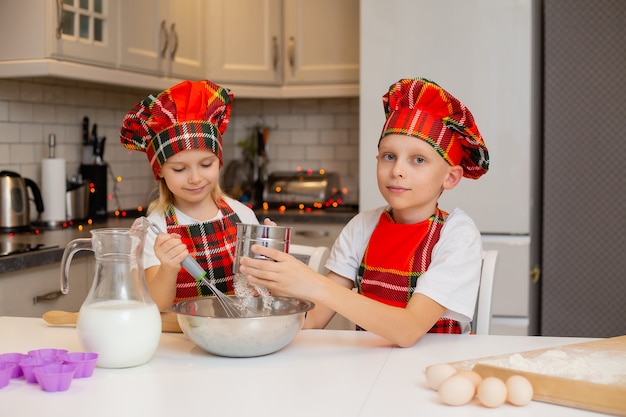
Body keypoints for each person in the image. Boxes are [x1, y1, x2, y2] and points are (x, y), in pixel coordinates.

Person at [239, 78, 490, 347]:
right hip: (366, 368)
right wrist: (279, 286)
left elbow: (408, 330)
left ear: (450, 178)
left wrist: (313, 283)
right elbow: (313, 321)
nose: (397, 171)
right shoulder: (362, 227)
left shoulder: (457, 235)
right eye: (389, 156)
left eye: (418, 160)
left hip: (434, 370)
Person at [119, 79, 263, 312]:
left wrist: (270, 258)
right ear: (160, 171)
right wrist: (167, 267)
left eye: (206, 164)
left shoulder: (242, 215)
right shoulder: (153, 229)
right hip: (179, 339)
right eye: (179, 169)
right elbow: (157, 305)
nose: (195, 178)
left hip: (237, 336)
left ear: (219, 162)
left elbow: (260, 290)